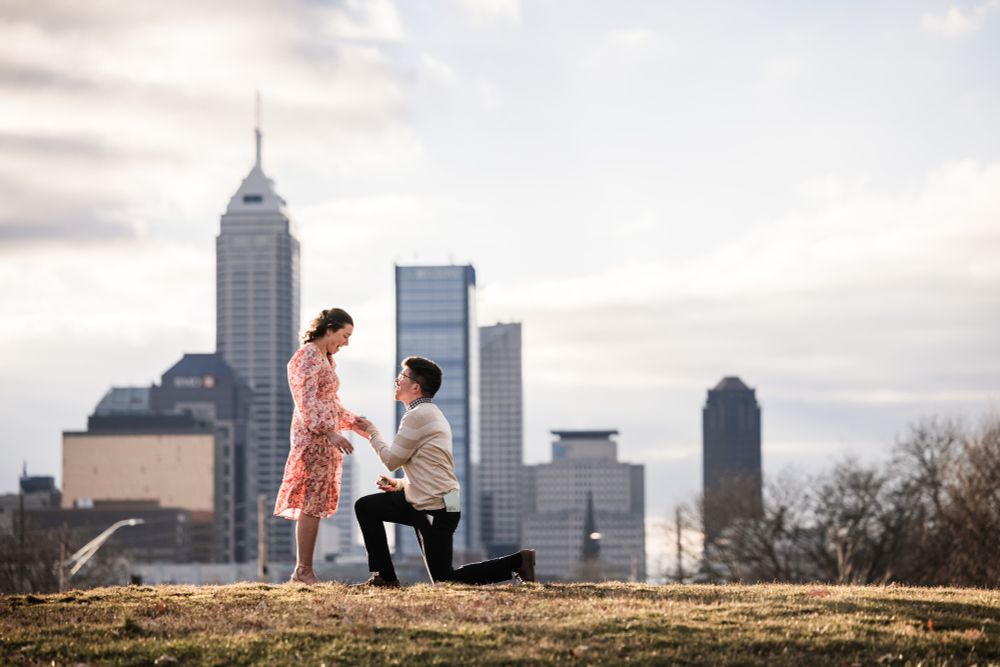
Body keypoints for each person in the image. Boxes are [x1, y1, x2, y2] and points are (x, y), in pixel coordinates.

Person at [353, 355, 535, 587]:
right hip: (444, 500)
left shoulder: (417, 415)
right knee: (368, 507)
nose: (396, 380)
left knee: (444, 580)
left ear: (415, 386)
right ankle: (385, 577)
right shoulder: (430, 412)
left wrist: (372, 433)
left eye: (402, 377)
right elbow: (430, 467)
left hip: (434, 505)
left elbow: (391, 460)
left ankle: (518, 562)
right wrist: (398, 484)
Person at [274, 307, 363, 585]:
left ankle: (304, 570)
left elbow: (330, 402)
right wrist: (329, 432)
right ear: (329, 329)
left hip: (325, 438)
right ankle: (302, 571)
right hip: (313, 438)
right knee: (310, 502)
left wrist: (356, 423)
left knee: (315, 502)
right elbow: (306, 400)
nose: (346, 342)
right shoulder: (306, 357)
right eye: (344, 335)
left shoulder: (326, 360)